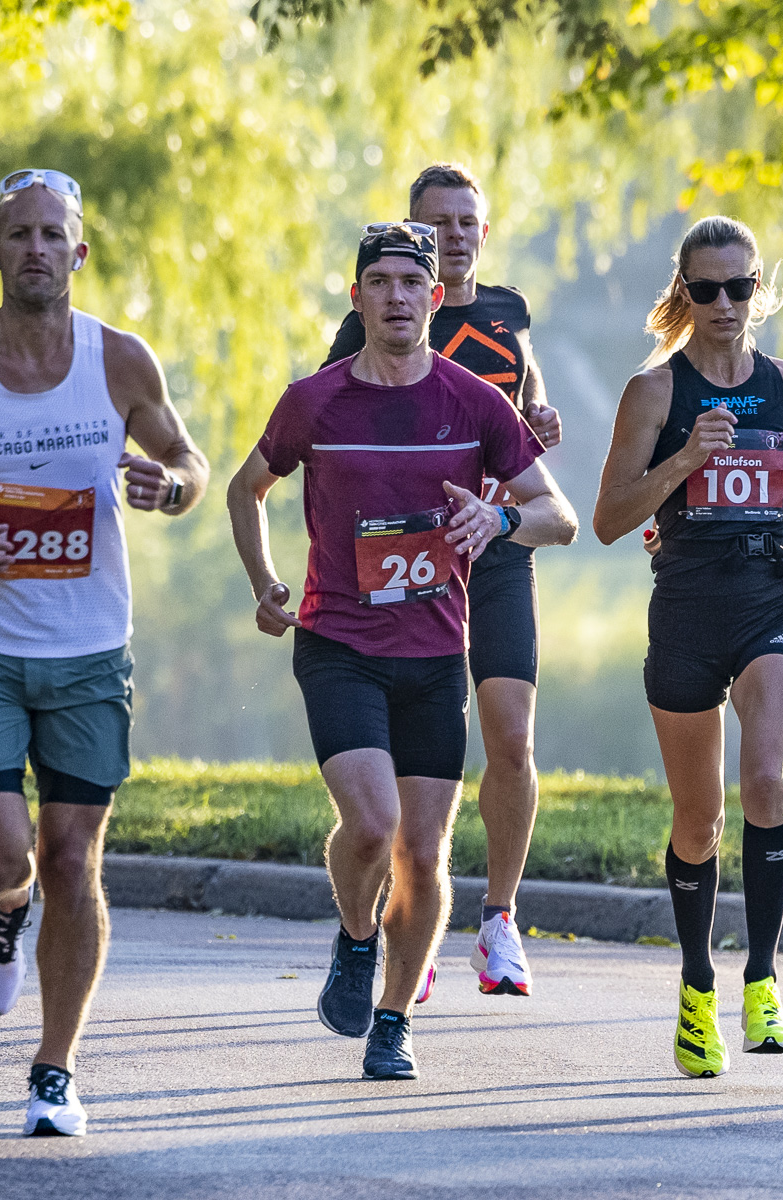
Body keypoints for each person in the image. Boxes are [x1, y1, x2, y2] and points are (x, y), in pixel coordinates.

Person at [0, 169, 208, 1134]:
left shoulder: (120, 362)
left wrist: (171, 490)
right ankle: (2, 911)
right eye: (16, 234)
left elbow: (186, 462)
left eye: (51, 234)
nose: (34, 248)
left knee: (74, 859)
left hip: (91, 648)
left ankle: (54, 1071)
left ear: (77, 252)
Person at [228, 222, 576, 1080]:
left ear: (433, 295)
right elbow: (247, 490)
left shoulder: (472, 401)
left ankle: (393, 1019)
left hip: (432, 657)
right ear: (358, 298)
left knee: (423, 853)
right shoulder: (316, 400)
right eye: (377, 283)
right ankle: (355, 935)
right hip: (338, 643)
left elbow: (557, 516)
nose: (394, 297)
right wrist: (265, 584)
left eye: (408, 283)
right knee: (374, 826)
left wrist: (498, 519)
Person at [591, 215, 783, 1078]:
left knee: (767, 778)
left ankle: (764, 979)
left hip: (769, 593)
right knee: (698, 820)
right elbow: (608, 520)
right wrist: (681, 465)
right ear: (684, 294)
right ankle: (697, 987)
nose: (722, 304)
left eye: (737, 288)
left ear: (758, 291)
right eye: (704, 290)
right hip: (686, 604)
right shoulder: (654, 394)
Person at [324, 163, 562, 1000]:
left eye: (468, 221)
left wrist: (541, 416)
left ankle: (498, 920)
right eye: (439, 221)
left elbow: (524, 398)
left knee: (512, 737)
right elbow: (328, 423)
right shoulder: (373, 319)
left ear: (482, 232)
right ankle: (407, 919)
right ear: (414, 231)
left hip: (492, 546)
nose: (455, 234)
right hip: (403, 560)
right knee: (405, 761)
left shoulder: (507, 313)